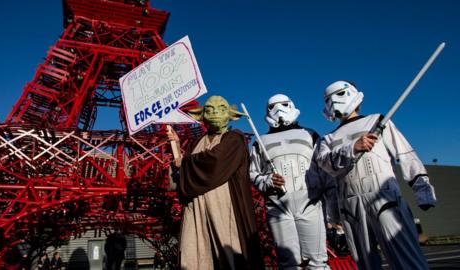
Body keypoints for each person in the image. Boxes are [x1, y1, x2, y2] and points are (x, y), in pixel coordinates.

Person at [314, 80, 436, 270]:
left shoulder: (378, 121)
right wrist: (353, 148)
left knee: (407, 260)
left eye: (338, 95)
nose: (334, 102)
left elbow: (404, 154)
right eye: (329, 99)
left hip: (385, 199)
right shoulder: (327, 139)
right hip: (350, 206)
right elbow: (325, 165)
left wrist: (422, 189)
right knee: (365, 264)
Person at [168, 95, 264, 270]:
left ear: (230, 115)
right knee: (195, 252)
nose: (215, 113)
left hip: (224, 205)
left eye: (220, 109)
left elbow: (216, 160)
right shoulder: (196, 143)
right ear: (201, 115)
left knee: (229, 251)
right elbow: (182, 173)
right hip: (197, 207)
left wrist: (185, 162)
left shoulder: (234, 139)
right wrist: (176, 147)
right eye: (210, 109)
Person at [249, 94, 332, 269]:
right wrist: (268, 180)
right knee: (288, 264)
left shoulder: (310, 135)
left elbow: (325, 170)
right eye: (273, 106)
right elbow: (253, 173)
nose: (279, 110)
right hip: (278, 207)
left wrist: (332, 209)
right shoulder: (260, 142)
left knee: (317, 262)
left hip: (310, 204)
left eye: (283, 105)